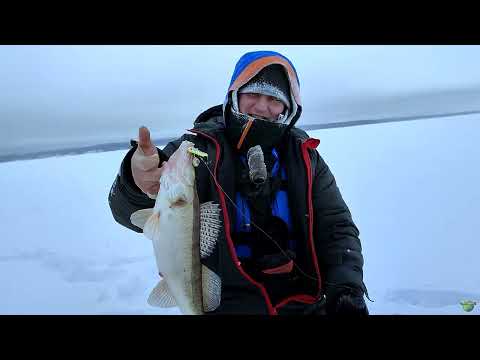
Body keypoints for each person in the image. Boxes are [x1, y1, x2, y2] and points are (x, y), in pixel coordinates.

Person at [108, 50, 370, 315]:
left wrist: (346, 288)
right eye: (253, 94)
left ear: (289, 107)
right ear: (234, 95)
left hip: (303, 305)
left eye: (274, 99)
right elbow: (126, 209)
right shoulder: (195, 150)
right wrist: (135, 181)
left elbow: (336, 227)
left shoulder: (305, 156)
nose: (261, 106)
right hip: (225, 306)